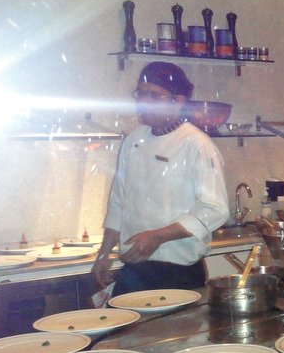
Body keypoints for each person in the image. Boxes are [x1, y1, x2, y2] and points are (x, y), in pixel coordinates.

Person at [91, 62, 230, 296]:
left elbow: (215, 209)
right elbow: (118, 202)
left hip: (178, 273)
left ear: (178, 101)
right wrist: (104, 254)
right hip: (133, 270)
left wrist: (158, 237)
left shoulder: (197, 144)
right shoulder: (133, 140)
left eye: (154, 96)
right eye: (140, 94)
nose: (143, 102)